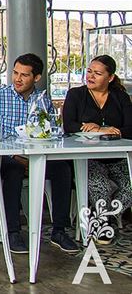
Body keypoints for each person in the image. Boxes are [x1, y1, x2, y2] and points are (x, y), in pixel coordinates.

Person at [0, 53, 77, 254]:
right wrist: (16, 157)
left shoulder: (43, 99)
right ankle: (12, 232)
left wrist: (35, 156)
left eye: (24, 75)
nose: (17, 79)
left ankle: (59, 231)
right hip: (9, 157)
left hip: (37, 156)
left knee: (62, 169)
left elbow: (50, 133)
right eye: (15, 73)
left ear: (36, 77)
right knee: (13, 171)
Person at [63, 54, 132, 243]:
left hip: (117, 157)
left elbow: (130, 128)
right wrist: (97, 129)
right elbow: (68, 125)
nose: (91, 76)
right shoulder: (76, 95)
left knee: (130, 187)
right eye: (89, 71)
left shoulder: (120, 97)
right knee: (100, 185)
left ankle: (103, 216)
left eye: (97, 73)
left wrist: (109, 130)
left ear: (110, 78)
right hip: (88, 157)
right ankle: (103, 223)